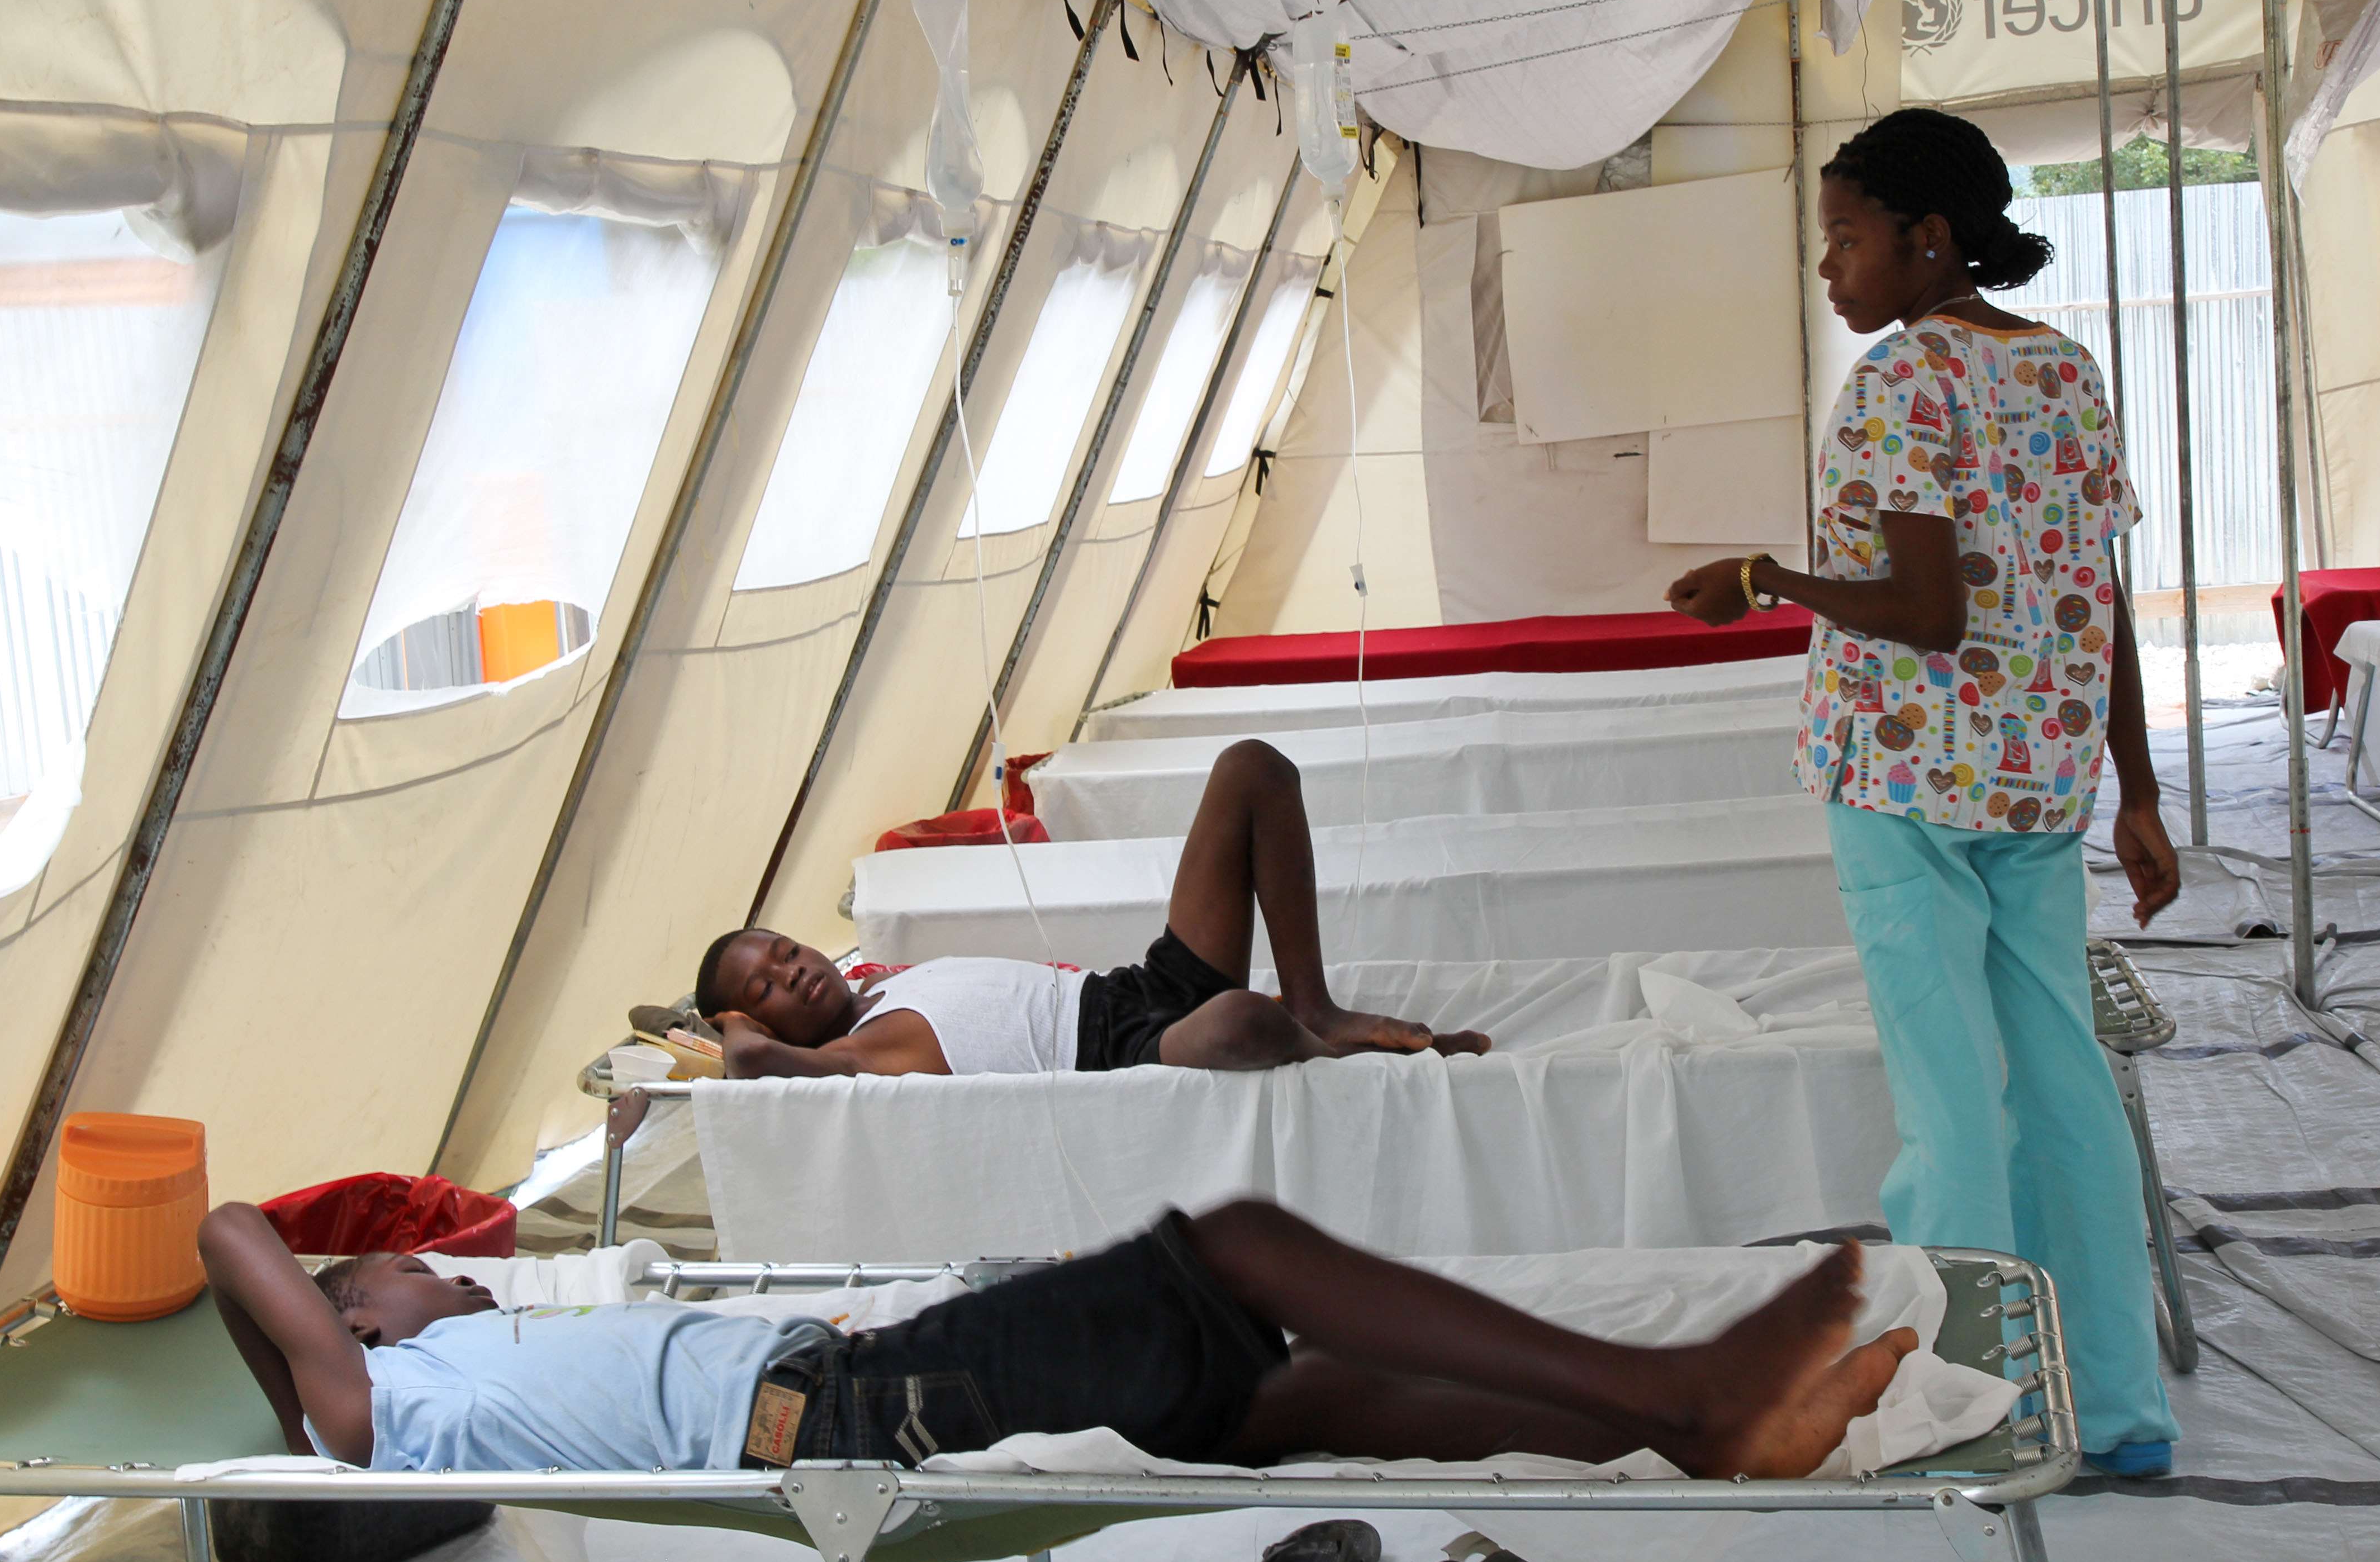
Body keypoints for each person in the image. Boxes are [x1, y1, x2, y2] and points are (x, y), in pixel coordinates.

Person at [1665, 105, 2183, 1477]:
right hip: (2036, 785)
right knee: (2066, 1088)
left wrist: (1766, 580)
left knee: (1951, 1108)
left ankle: (1976, 1412)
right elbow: (2100, 592)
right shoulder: (2066, 372)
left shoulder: (1906, 382)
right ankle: (2121, 1413)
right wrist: (2136, 784)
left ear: (1927, 239)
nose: (1828, 269)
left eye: (1844, 239)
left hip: (1905, 781)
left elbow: (1925, 607)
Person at [198, 1198, 1915, 1483]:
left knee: (1295, 1400)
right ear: (348, 1320)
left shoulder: (426, 1374)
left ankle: (1668, 1437)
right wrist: (245, 1263)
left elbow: (274, 1290)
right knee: (1234, 1253)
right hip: (856, 1417)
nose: (461, 1276)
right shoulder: (393, 1405)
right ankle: (1680, 1395)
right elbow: (228, 1232)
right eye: (415, 1271)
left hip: (865, 1380)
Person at [694, 738, 1488, 1079]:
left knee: (1253, 770)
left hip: (1130, 990)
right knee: (1242, 1021)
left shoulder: (875, 982)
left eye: (786, 952)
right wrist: (733, 1031)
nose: (792, 973)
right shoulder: (855, 1057)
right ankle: (1341, 1065)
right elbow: (754, 1065)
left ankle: (1317, 1008)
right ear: (756, 1021)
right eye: (764, 987)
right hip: (1125, 1051)